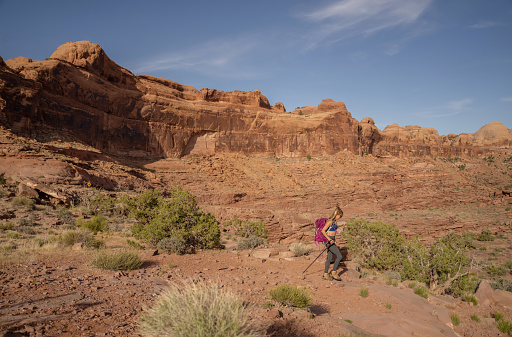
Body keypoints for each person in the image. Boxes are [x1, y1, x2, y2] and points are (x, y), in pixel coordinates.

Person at [321, 206, 344, 281]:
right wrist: (329, 240)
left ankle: (325, 274)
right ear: (336, 214)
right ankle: (334, 272)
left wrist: (335, 241)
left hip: (332, 240)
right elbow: (323, 231)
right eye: (339, 216)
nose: (339, 217)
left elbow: (334, 233)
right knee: (339, 256)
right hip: (328, 241)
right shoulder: (330, 221)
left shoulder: (334, 222)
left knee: (329, 258)